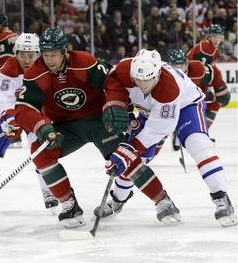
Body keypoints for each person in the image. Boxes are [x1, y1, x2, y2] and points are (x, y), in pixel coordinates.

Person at [15, 28, 182, 228]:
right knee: (40, 154)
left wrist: (114, 104)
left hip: (98, 122)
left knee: (126, 157)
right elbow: (23, 108)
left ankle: (163, 201)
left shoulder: (84, 62)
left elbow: (111, 81)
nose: (49, 60)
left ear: (64, 51)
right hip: (64, 127)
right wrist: (41, 126)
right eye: (46, 55)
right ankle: (69, 205)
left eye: (54, 55)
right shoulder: (35, 73)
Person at [98, 49, 236, 227]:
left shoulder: (169, 86)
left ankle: (221, 198)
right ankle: (118, 200)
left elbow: (160, 127)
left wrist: (133, 147)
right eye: (137, 79)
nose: (141, 84)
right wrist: (123, 111)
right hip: (150, 112)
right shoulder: (124, 70)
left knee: (199, 146)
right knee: (133, 160)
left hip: (187, 107)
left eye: (147, 79)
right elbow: (114, 86)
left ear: (158, 74)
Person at [0, 33, 58, 211]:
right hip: (9, 114)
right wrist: (10, 120)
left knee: (43, 153)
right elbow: (3, 99)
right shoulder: (8, 70)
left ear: (39, 54)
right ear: (15, 53)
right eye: (22, 55)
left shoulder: (48, 69)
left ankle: (48, 189)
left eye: (31, 55)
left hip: (36, 115)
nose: (26, 60)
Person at [169, 49, 230, 144]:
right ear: (170, 65)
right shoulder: (165, 75)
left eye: (182, 65)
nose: (179, 69)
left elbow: (214, 72)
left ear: (187, 64)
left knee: (211, 106)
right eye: (176, 66)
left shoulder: (198, 69)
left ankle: (200, 135)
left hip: (196, 98)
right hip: (176, 102)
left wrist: (221, 89)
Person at [0, 12, 21, 148]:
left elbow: (4, 59)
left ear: (0, 25)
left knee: (6, 103)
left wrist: (0, 75)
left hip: (9, 75)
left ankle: (12, 134)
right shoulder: (16, 36)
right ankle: (18, 136)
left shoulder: (0, 37)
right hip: (21, 75)